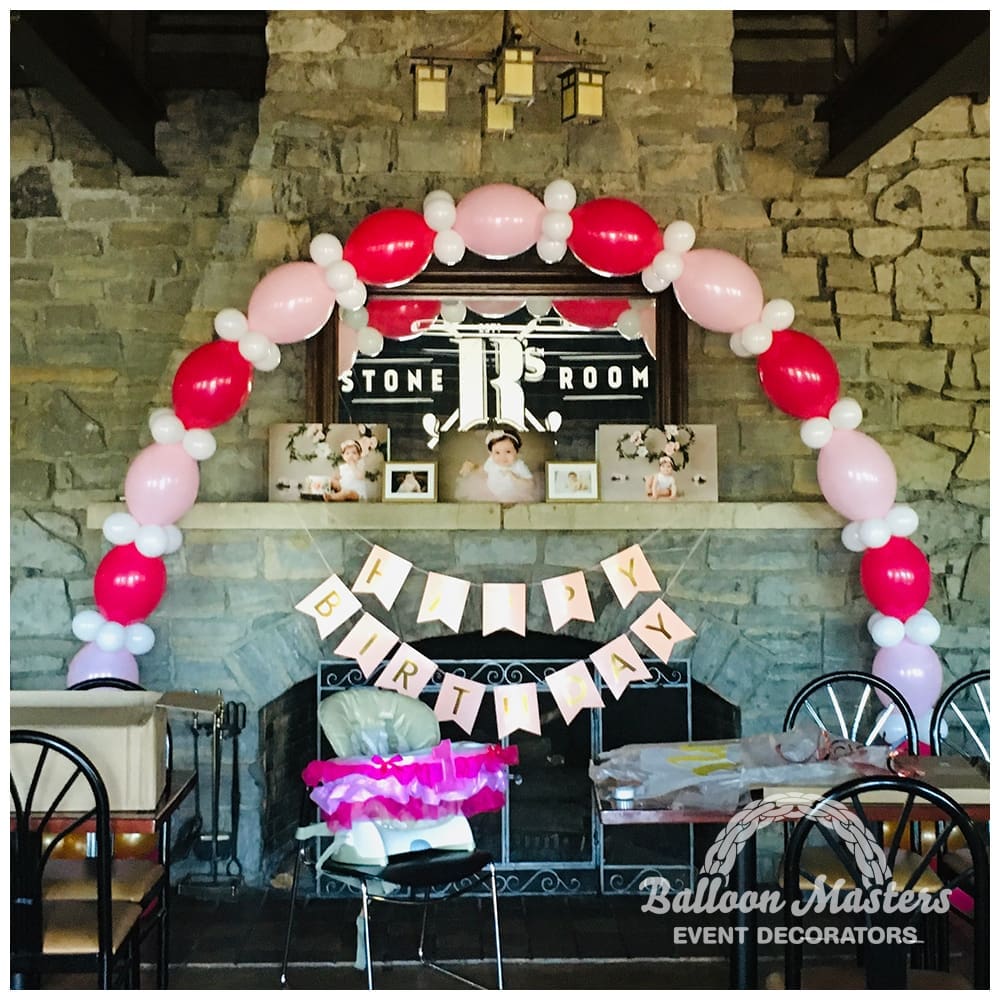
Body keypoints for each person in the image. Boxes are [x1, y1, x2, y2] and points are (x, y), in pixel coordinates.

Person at [455, 428, 541, 503]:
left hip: (513, 496)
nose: (502, 457)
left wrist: (515, 478)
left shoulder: (519, 466)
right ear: (491, 453)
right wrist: (473, 467)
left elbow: (531, 484)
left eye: (508, 452)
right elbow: (484, 470)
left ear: (516, 451)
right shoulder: (491, 462)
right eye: (497, 453)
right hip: (491, 493)